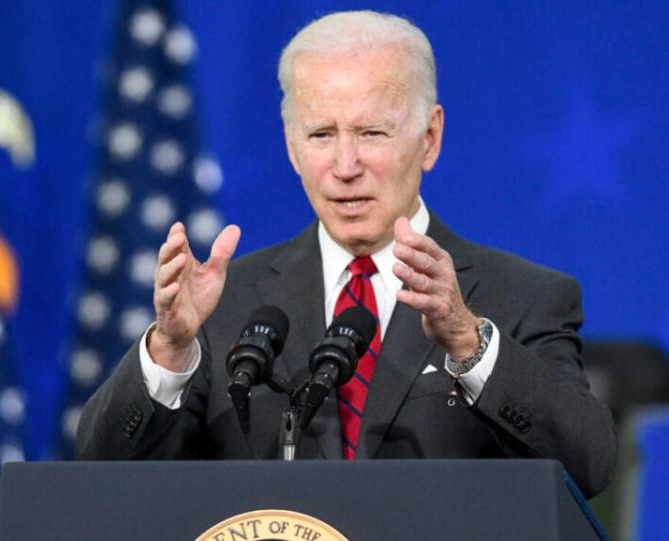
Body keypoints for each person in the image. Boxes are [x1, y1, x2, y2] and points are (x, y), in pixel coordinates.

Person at [76, 10, 617, 498]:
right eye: (320, 134)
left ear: (429, 138)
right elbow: (100, 474)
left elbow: (588, 467)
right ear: (291, 146)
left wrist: (469, 343)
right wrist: (169, 349)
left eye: (371, 132)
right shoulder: (221, 306)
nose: (345, 164)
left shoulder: (522, 298)